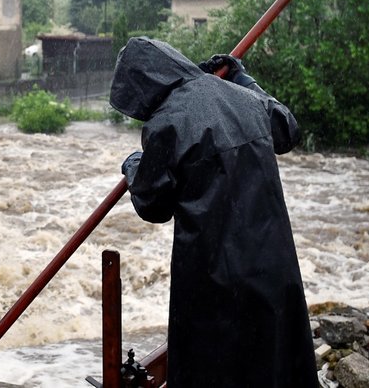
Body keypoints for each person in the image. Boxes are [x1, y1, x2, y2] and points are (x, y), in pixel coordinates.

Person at [109, 37, 316, 387]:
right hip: (273, 266)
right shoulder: (244, 97)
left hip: (213, 279)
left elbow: (152, 204)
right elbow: (287, 128)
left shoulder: (166, 124)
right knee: (274, 363)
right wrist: (242, 78)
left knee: (213, 369)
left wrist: (132, 165)